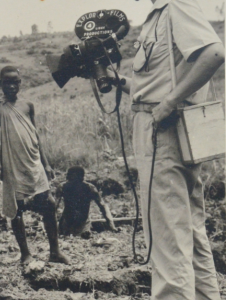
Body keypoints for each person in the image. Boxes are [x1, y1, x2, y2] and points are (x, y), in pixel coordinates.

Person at [109, 0, 224, 299]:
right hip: (164, 126)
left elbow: (214, 53)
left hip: (164, 130)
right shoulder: (159, 14)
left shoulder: (177, 6)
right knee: (189, 231)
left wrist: (171, 101)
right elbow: (154, 85)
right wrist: (116, 80)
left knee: (166, 238)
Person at [0, 66, 69, 265]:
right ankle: (25, 253)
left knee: (48, 204)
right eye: (7, 82)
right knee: (16, 209)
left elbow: (35, 136)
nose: (12, 86)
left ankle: (55, 252)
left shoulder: (28, 105)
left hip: (33, 161)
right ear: (0, 84)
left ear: (20, 82)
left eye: (15, 81)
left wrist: (46, 164)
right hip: (11, 163)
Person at [56, 166, 118, 239]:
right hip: (66, 223)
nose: (69, 179)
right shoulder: (63, 187)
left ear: (80, 177)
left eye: (71, 177)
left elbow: (103, 206)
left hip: (83, 224)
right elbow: (53, 207)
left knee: (82, 238)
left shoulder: (90, 188)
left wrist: (112, 226)